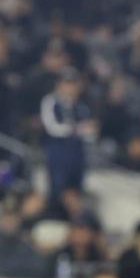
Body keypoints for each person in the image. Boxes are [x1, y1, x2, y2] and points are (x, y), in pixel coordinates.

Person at [41, 67, 97, 205]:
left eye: (73, 84)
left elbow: (90, 133)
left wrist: (86, 130)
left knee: (76, 187)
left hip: (77, 151)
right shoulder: (51, 101)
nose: (70, 88)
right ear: (59, 85)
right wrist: (75, 129)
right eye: (67, 83)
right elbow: (51, 127)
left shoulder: (82, 106)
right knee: (57, 186)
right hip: (58, 150)